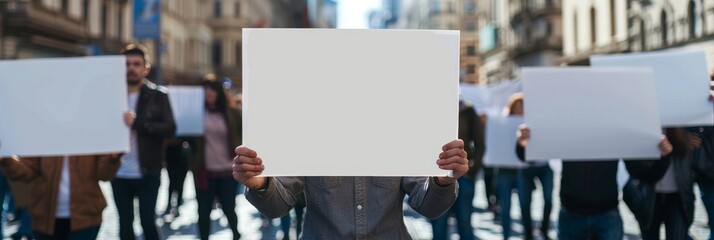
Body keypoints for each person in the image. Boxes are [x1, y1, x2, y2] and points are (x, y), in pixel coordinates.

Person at [233, 140, 469, 239]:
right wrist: (260, 184)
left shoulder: (401, 136)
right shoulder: (307, 137)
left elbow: (429, 206)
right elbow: (278, 206)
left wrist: (442, 182)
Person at [516, 125, 673, 240]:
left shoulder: (616, 134)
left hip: (606, 216)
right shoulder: (566, 130)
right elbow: (530, 156)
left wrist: (664, 157)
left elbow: (646, 174)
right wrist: (523, 144)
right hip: (571, 216)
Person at [112, 43, 176, 240]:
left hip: (148, 171)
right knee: (124, 224)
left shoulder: (158, 95)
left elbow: (170, 128)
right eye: (127, 63)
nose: (131, 68)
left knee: (148, 221)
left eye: (136, 64)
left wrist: (139, 123)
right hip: (118, 171)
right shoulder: (111, 94)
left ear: (145, 68)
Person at [0, 154, 121, 240]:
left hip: (86, 215)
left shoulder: (90, 131)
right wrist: (6, 160)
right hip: (44, 217)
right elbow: (27, 170)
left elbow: (104, 174)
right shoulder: (42, 132)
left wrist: (113, 158)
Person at [188, 79, 242, 240]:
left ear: (219, 92)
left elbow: (242, 134)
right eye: (205, 90)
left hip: (227, 172)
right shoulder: (195, 114)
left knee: (229, 209)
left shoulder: (231, 113)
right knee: (203, 212)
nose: (209, 93)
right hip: (204, 172)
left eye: (212, 90)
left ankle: (236, 234)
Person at [430, 100, 485, 240]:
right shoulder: (430, 107)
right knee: (438, 224)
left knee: (465, 221)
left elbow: (480, 144)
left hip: (463, 177)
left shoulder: (467, 110)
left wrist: (471, 170)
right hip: (435, 176)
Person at [506, 93, 554, 240]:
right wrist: (521, 142)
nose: (521, 109)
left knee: (548, 198)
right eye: (518, 106)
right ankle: (528, 233)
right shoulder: (510, 123)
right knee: (525, 201)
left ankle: (544, 229)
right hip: (524, 168)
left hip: (544, 165)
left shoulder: (540, 119)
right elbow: (517, 151)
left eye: (523, 106)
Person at [632, 128, 694, 239]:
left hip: (677, 197)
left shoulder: (682, 130)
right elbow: (637, 169)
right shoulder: (641, 131)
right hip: (650, 197)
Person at [162, 137, 189, 218]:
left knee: (180, 183)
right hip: (171, 156)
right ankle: (169, 205)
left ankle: (177, 205)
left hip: (182, 156)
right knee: (172, 182)